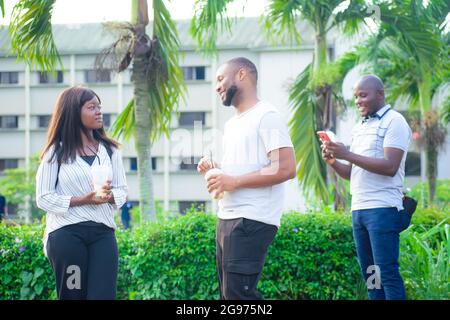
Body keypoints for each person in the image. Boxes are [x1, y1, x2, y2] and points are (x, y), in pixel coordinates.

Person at [197, 57, 296, 300]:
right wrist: (217, 170)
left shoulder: (267, 116)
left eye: (221, 78)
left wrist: (233, 181)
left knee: (239, 297)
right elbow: (242, 171)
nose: (217, 86)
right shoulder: (232, 124)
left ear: (242, 75)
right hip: (228, 217)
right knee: (229, 296)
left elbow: (285, 168)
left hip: (251, 219)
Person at [322, 75, 412, 300]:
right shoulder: (360, 127)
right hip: (359, 211)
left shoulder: (395, 121)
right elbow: (353, 173)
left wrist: (347, 153)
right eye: (355, 97)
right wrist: (333, 161)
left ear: (380, 94)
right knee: (372, 276)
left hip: (382, 210)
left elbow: (390, 166)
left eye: (363, 95)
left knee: (387, 273)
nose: (358, 101)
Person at [36, 86, 128, 300]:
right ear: (73, 112)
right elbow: (43, 197)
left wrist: (109, 196)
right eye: (91, 107)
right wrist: (84, 200)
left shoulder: (109, 151)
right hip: (67, 236)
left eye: (99, 107)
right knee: (72, 295)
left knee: (103, 296)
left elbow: (123, 190)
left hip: (103, 235)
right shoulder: (56, 152)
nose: (99, 112)